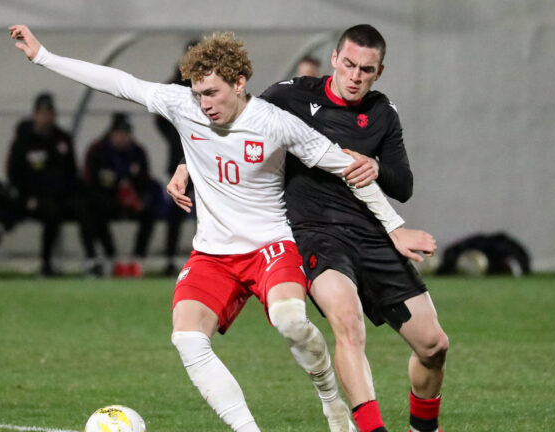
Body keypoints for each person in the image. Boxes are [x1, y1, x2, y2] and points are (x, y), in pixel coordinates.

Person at [9, 25, 434, 432]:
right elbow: (118, 81)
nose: (205, 103)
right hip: (213, 253)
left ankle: (329, 398)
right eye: (198, 92)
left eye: (212, 92)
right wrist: (43, 57)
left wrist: (395, 227)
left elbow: (347, 167)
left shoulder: (275, 122)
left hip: (272, 246)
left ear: (239, 83)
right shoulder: (184, 105)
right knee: (187, 339)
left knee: (290, 320)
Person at [172, 24, 448, 432]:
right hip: (315, 235)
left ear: (379, 73)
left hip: (371, 235)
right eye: (349, 64)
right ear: (335, 59)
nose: (355, 76)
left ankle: (423, 428)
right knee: (348, 323)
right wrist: (187, 166)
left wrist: (377, 168)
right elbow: (234, 124)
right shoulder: (290, 95)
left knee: (434, 346)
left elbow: (403, 185)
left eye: (366, 70)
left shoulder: (382, 113)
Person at [6, 92, 83, 276]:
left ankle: (95, 261)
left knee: (85, 207)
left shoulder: (62, 138)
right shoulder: (23, 141)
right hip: (32, 199)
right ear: (35, 114)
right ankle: (46, 264)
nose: (46, 117)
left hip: (60, 197)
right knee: (51, 212)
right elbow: (13, 173)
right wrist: (28, 197)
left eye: (49, 113)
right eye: (42, 113)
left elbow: (72, 171)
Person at [81, 112, 158, 278]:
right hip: (106, 202)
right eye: (119, 133)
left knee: (150, 211)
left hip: (130, 203)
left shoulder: (138, 152)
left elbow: (145, 182)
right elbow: (89, 183)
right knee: (88, 209)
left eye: (126, 133)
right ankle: (107, 258)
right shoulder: (97, 151)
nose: (122, 137)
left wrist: (138, 199)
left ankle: (138, 259)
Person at [153, 39, 199, 276]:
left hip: (202, 161)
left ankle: (206, 260)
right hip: (177, 160)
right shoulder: (173, 86)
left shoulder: (206, 87)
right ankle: (170, 258)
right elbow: (159, 119)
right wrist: (175, 137)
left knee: (204, 213)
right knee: (175, 212)